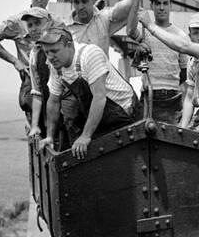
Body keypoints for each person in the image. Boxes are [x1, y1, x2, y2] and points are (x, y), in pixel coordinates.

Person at [37, 27, 141, 159]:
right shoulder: (56, 66)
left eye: (54, 51)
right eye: (47, 52)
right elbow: (53, 101)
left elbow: (99, 97)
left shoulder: (90, 55)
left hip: (125, 114)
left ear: (69, 45)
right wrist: (50, 137)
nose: (50, 57)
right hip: (102, 118)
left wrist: (85, 136)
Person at [137, 10, 199, 139]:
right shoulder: (193, 61)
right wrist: (181, 130)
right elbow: (189, 98)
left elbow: (182, 47)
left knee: (190, 144)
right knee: (175, 139)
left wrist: (150, 26)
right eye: (196, 33)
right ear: (190, 35)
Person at [0, 0, 53, 121]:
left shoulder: (54, 20)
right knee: (35, 119)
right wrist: (14, 61)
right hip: (30, 77)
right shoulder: (18, 21)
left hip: (52, 78)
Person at [127, 0, 189, 124]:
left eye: (165, 3)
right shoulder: (144, 32)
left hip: (173, 98)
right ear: (152, 6)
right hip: (149, 95)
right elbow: (130, 31)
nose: (162, 7)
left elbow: (184, 73)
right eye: (158, 3)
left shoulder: (181, 35)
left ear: (170, 5)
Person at [19, 7, 66, 139]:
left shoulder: (63, 44)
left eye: (38, 23)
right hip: (51, 111)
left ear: (49, 23)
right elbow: (37, 91)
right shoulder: (34, 53)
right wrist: (34, 125)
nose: (33, 28)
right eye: (30, 25)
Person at [66, 0, 143, 54]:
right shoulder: (66, 30)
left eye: (84, 1)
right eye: (76, 2)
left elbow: (129, 5)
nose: (80, 7)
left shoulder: (104, 19)